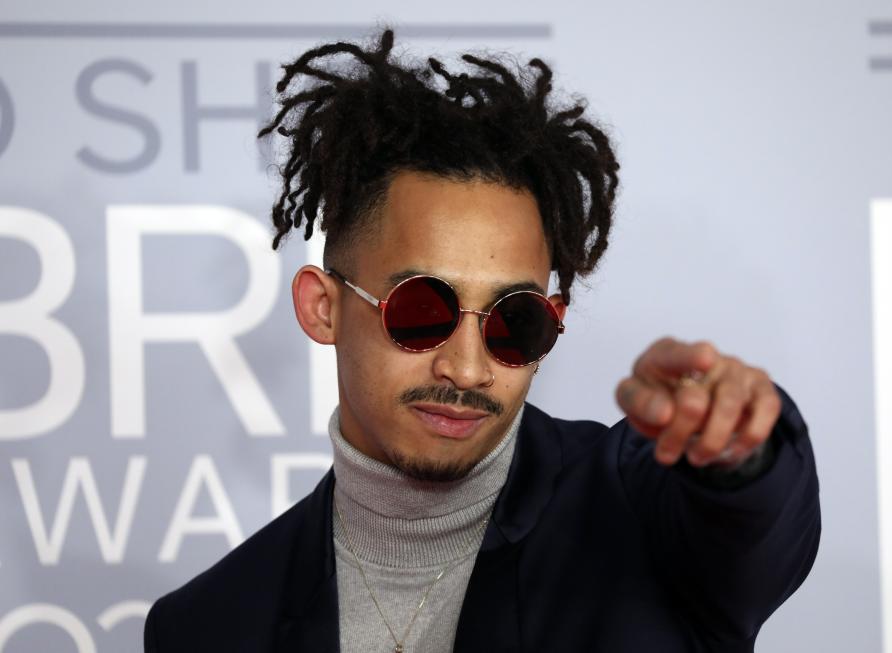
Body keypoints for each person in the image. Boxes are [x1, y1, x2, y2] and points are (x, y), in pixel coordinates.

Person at [143, 29, 820, 653]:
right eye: (419, 310)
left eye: (514, 321)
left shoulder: (637, 514)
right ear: (324, 307)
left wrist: (736, 456)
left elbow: (750, 525)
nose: (466, 367)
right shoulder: (211, 624)